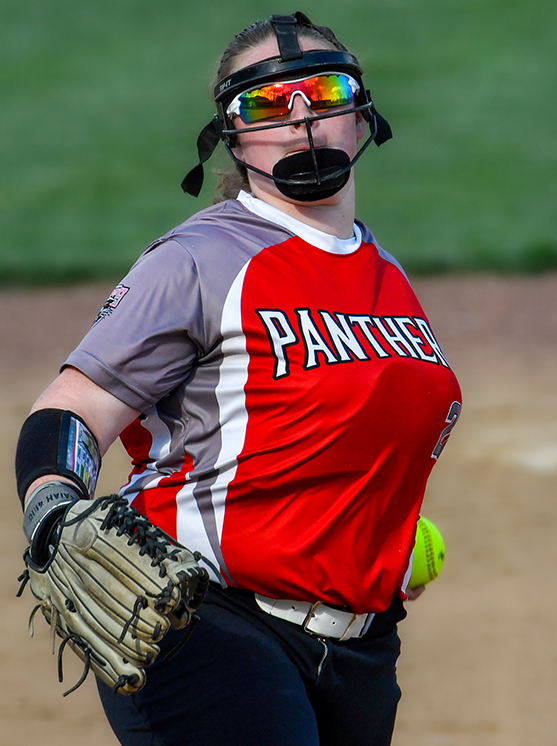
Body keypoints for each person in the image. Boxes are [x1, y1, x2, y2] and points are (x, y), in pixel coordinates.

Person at [15, 11, 462, 746]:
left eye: (324, 91)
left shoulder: (386, 276)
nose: (300, 117)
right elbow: (74, 407)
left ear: (361, 114)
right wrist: (53, 510)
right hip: (204, 619)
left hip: (361, 647)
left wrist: (368, 542)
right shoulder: (199, 260)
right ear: (232, 134)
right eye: (266, 102)